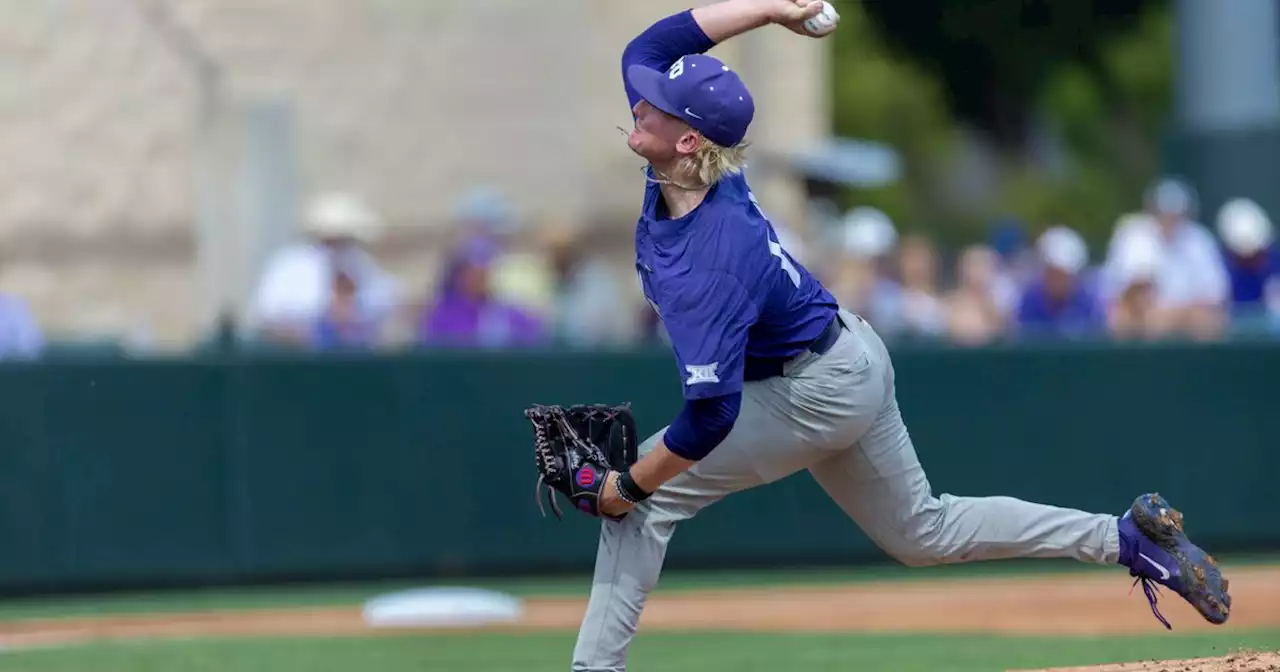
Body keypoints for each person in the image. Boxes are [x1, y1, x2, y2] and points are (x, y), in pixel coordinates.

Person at [572, 2, 1231, 669]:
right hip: (846, 357)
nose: (639, 101)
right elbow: (653, 44)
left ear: (688, 141)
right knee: (924, 533)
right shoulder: (696, 164)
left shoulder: (712, 254)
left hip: (812, 393)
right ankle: (1126, 540)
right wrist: (772, 9)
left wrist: (626, 486)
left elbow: (712, 416)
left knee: (643, 505)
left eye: (655, 104)